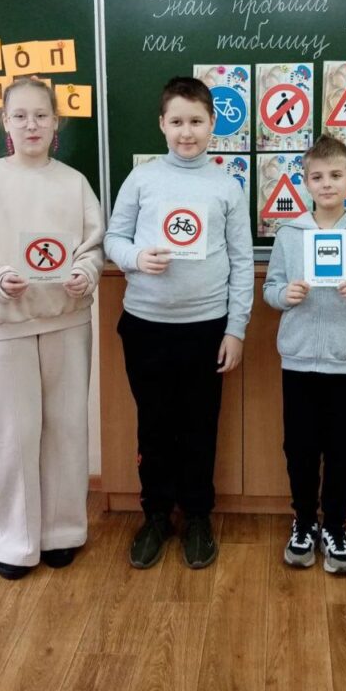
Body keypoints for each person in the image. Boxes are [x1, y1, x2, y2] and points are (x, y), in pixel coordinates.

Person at [0, 76, 104, 580]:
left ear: (56, 122)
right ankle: (14, 541)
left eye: (41, 115)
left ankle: (61, 532)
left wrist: (85, 273)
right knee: (10, 435)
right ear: (5, 123)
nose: (31, 124)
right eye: (20, 116)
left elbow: (93, 247)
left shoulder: (74, 183)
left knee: (65, 428)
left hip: (67, 322)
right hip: (6, 325)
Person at [105, 76, 253, 570]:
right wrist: (135, 257)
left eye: (196, 121)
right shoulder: (141, 179)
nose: (186, 132)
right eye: (176, 122)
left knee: (200, 427)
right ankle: (155, 515)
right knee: (154, 425)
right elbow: (113, 238)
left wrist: (236, 329)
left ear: (212, 124)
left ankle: (197, 516)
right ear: (161, 125)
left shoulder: (226, 186)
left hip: (205, 329)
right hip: (146, 325)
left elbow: (241, 261)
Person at [263, 134, 346, 573]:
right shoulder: (289, 235)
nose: (327, 184)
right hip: (298, 358)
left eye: (336, 175)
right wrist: (285, 294)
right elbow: (270, 289)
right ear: (306, 183)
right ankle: (303, 521)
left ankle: (335, 525)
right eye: (317, 177)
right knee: (298, 447)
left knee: (342, 449)